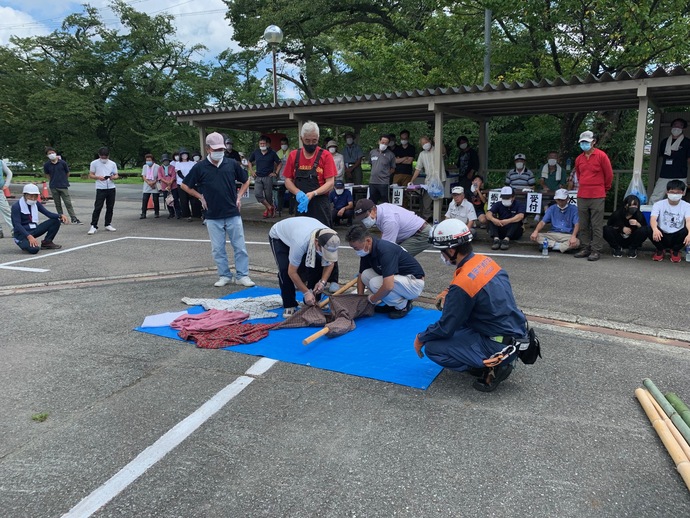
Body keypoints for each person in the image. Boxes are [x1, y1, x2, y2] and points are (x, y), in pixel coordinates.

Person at [414, 219, 528, 392]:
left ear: (452, 250)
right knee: (456, 325)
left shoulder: (463, 285)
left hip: (497, 344)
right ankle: (491, 356)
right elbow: (469, 281)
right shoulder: (486, 261)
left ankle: (490, 366)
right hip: (514, 330)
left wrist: (421, 337)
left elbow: (446, 327)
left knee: (433, 347)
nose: (442, 255)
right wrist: (448, 291)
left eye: (442, 251)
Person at [180, 132, 255, 288]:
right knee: (218, 248)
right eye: (215, 149)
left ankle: (242, 275)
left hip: (232, 211)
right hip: (212, 214)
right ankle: (224, 275)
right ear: (208, 149)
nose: (219, 151)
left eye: (221, 148)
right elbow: (185, 185)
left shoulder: (231, 164)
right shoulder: (200, 167)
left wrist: (239, 196)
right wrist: (200, 196)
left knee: (240, 246)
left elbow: (246, 180)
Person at [347, 224, 425, 319]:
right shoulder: (367, 250)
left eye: (356, 248)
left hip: (414, 282)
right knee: (365, 275)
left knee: (375, 283)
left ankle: (403, 306)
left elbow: (388, 286)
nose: (356, 251)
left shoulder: (385, 250)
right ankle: (391, 304)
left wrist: (372, 299)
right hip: (400, 279)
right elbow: (360, 275)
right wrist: (359, 299)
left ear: (367, 241)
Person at [268, 216, 340, 317]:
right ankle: (289, 304)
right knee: (284, 269)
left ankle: (314, 299)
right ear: (316, 243)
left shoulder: (332, 239)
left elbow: (330, 263)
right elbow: (292, 271)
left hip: (301, 229)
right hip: (279, 237)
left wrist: (322, 282)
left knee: (318, 264)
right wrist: (305, 292)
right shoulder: (300, 243)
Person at [283, 121, 337, 226]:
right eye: (307, 141)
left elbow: (330, 182)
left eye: (314, 140)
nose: (311, 144)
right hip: (301, 204)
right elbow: (288, 180)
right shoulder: (294, 155)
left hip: (320, 204)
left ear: (318, 138)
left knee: (321, 237)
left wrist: (314, 193)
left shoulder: (326, 156)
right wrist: (297, 192)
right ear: (301, 138)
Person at [573, 130, 613, 262]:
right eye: (582, 142)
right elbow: (579, 175)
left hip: (597, 194)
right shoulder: (579, 159)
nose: (584, 144)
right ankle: (585, 247)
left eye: (587, 142)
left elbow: (609, 175)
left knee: (596, 224)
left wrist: (604, 189)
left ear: (594, 142)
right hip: (582, 194)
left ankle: (596, 250)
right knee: (583, 223)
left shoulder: (601, 156)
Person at [353, 198, 431, 256]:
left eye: (365, 217)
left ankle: (408, 277)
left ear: (373, 210)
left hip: (421, 234)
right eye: (362, 219)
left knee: (397, 257)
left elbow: (386, 248)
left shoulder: (389, 220)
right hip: (410, 233)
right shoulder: (380, 210)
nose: (364, 220)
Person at [11, 183, 69, 253]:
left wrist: (60, 215)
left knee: (55, 221)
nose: (33, 199)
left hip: (33, 229)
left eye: (35, 196)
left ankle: (47, 242)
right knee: (34, 250)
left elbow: (48, 213)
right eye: (30, 196)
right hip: (22, 234)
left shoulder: (35, 203)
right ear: (25, 195)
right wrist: (29, 236)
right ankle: (24, 243)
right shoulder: (16, 207)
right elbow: (17, 225)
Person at [646, 179, 690, 262]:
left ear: (683, 193)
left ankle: (675, 251)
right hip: (662, 235)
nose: (675, 195)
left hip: (677, 236)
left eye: (678, 192)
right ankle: (660, 250)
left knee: (687, 231)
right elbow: (653, 218)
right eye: (672, 192)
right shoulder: (659, 204)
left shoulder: (687, 206)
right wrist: (655, 229)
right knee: (648, 229)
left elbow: (688, 221)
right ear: (667, 192)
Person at [650, 118, 690, 204]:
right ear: (671, 126)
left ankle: (677, 216)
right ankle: (651, 215)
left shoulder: (687, 142)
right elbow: (661, 155)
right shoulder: (664, 142)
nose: (677, 127)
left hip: (680, 175)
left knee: (678, 198)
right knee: (656, 196)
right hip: (665, 174)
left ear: (683, 128)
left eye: (680, 126)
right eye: (675, 125)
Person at [408, 136, 447, 221]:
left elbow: (443, 151)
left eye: (425, 142)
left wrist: (438, 142)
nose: (424, 145)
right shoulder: (422, 154)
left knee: (439, 199)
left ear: (429, 141)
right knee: (426, 200)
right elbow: (418, 168)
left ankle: (437, 217)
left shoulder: (437, 149)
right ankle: (427, 217)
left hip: (440, 179)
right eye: (422, 144)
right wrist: (411, 181)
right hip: (429, 180)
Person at [529, 188, 580, 253]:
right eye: (558, 200)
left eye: (562, 200)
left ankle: (550, 246)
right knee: (534, 236)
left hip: (567, 235)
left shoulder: (574, 209)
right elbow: (542, 222)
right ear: (555, 199)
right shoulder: (552, 208)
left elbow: (577, 224)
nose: (560, 202)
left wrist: (573, 236)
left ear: (567, 199)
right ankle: (560, 247)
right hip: (553, 234)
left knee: (577, 242)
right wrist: (536, 231)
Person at [43, 147, 81, 224]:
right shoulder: (47, 165)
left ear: (56, 153)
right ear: (47, 155)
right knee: (57, 204)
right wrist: (52, 180)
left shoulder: (62, 163)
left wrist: (64, 179)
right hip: (53, 186)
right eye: (49, 153)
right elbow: (47, 174)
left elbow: (67, 173)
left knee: (68, 203)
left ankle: (73, 218)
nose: (51, 154)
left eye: (52, 153)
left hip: (63, 185)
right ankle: (61, 218)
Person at [603, 194, 647, 258]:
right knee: (605, 229)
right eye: (631, 205)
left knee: (644, 230)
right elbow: (609, 225)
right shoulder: (617, 214)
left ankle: (632, 249)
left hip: (632, 239)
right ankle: (616, 248)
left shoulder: (639, 215)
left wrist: (638, 224)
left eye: (635, 205)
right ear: (626, 205)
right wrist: (621, 228)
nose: (633, 207)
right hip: (619, 238)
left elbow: (645, 229)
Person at [87, 147, 119, 235]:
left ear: (108, 156)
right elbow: (91, 174)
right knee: (98, 207)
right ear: (99, 155)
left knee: (110, 207)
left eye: (106, 157)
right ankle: (94, 225)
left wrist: (113, 177)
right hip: (100, 187)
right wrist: (98, 177)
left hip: (111, 187)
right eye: (102, 157)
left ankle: (108, 223)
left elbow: (116, 175)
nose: (104, 159)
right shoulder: (94, 163)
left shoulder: (112, 163)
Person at [248, 135, 281, 218]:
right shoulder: (256, 152)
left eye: (263, 143)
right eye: (260, 143)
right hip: (258, 177)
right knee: (257, 193)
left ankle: (267, 210)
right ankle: (270, 207)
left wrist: (276, 173)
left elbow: (280, 163)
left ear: (267, 144)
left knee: (268, 195)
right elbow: (249, 162)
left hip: (268, 176)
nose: (262, 145)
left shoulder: (272, 153)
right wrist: (251, 171)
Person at [486, 186, 526, 250]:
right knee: (490, 219)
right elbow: (488, 214)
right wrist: (494, 220)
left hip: (514, 231)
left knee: (516, 220)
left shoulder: (519, 204)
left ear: (513, 197)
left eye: (507, 198)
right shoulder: (498, 204)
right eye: (504, 198)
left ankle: (506, 240)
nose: (505, 199)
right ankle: (496, 239)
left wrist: (508, 221)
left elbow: (521, 216)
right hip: (501, 227)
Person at [368, 134, 396, 204]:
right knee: (372, 201)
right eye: (382, 142)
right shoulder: (372, 152)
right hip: (373, 181)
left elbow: (393, 168)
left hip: (383, 182)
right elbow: (371, 164)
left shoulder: (391, 155)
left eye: (386, 143)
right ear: (379, 141)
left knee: (385, 201)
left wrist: (386, 174)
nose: (384, 144)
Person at [176, 148, 201, 222]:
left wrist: (190, 180)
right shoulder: (178, 163)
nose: (184, 156)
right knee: (184, 200)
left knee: (194, 199)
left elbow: (194, 172)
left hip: (191, 183)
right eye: (183, 155)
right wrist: (185, 180)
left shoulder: (192, 163)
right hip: (181, 183)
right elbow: (179, 173)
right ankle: (186, 215)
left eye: (186, 154)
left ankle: (196, 214)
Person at [158, 153, 181, 219]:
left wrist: (170, 183)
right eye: (164, 161)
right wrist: (166, 183)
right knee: (167, 200)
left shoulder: (173, 167)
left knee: (175, 199)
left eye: (167, 161)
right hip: (164, 187)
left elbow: (174, 176)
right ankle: (171, 213)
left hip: (173, 186)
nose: (166, 162)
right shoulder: (160, 168)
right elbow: (160, 177)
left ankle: (178, 213)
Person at [140, 153, 160, 219]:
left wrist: (153, 182)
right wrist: (148, 182)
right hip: (147, 184)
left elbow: (159, 176)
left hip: (155, 184)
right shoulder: (145, 166)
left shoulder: (157, 167)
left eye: (149, 160)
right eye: (147, 160)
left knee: (155, 199)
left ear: (153, 160)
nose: (148, 162)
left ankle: (157, 212)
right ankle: (143, 213)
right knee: (145, 199)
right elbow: (143, 176)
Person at [277, 136, 294, 214]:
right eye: (282, 144)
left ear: (288, 144)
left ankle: (291, 210)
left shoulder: (292, 152)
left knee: (291, 193)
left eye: (285, 143)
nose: (283, 145)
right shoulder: (278, 153)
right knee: (280, 192)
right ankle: (279, 209)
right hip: (281, 176)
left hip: (290, 177)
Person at [0, 157, 14, 238]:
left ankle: (14, 230)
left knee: (6, 210)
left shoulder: (1, 162)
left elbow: (9, 173)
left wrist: (6, 184)